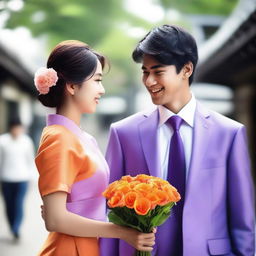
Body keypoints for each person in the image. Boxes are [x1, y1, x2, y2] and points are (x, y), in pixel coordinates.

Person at [100, 25, 255, 256]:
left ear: (186, 69)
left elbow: (243, 219)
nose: (149, 81)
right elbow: (108, 210)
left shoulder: (229, 133)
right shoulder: (123, 133)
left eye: (158, 71)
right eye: (145, 72)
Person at [34, 40, 155, 256]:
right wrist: (122, 232)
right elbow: (55, 219)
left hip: (88, 245)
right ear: (71, 86)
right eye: (97, 80)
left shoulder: (83, 138)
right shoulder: (59, 138)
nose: (102, 89)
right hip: (69, 248)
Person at [0, 118, 34, 240]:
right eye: (14, 127)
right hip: (6, 178)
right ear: (10, 128)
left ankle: (16, 228)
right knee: (9, 205)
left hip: (22, 178)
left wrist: (32, 178)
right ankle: (12, 226)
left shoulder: (26, 141)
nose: (17, 130)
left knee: (18, 204)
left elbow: (30, 161)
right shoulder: (2, 141)